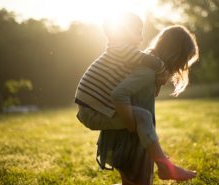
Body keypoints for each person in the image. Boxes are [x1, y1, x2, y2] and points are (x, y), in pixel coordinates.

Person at [74, 12, 196, 182]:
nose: (140, 38)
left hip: (91, 107)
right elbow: (118, 94)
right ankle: (165, 167)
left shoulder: (132, 58)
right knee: (142, 117)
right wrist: (131, 123)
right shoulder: (147, 70)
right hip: (92, 110)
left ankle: (164, 166)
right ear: (176, 57)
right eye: (183, 63)